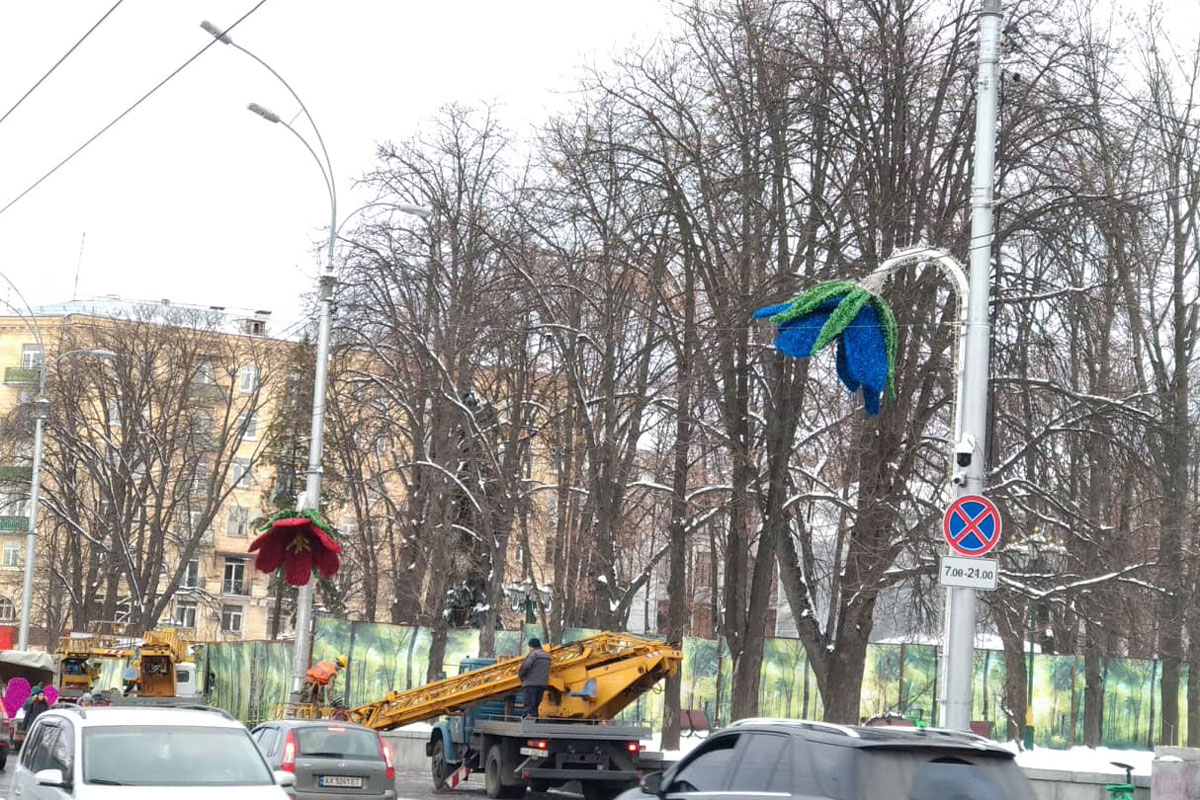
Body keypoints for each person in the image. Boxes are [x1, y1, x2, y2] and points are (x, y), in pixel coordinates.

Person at [518, 638, 551, 719]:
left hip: (530, 684)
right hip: (542, 684)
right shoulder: (547, 656)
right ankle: (534, 723)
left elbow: (525, 667)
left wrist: (521, 676)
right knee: (535, 707)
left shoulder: (533, 655)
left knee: (529, 706)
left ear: (531, 647)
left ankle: (527, 725)